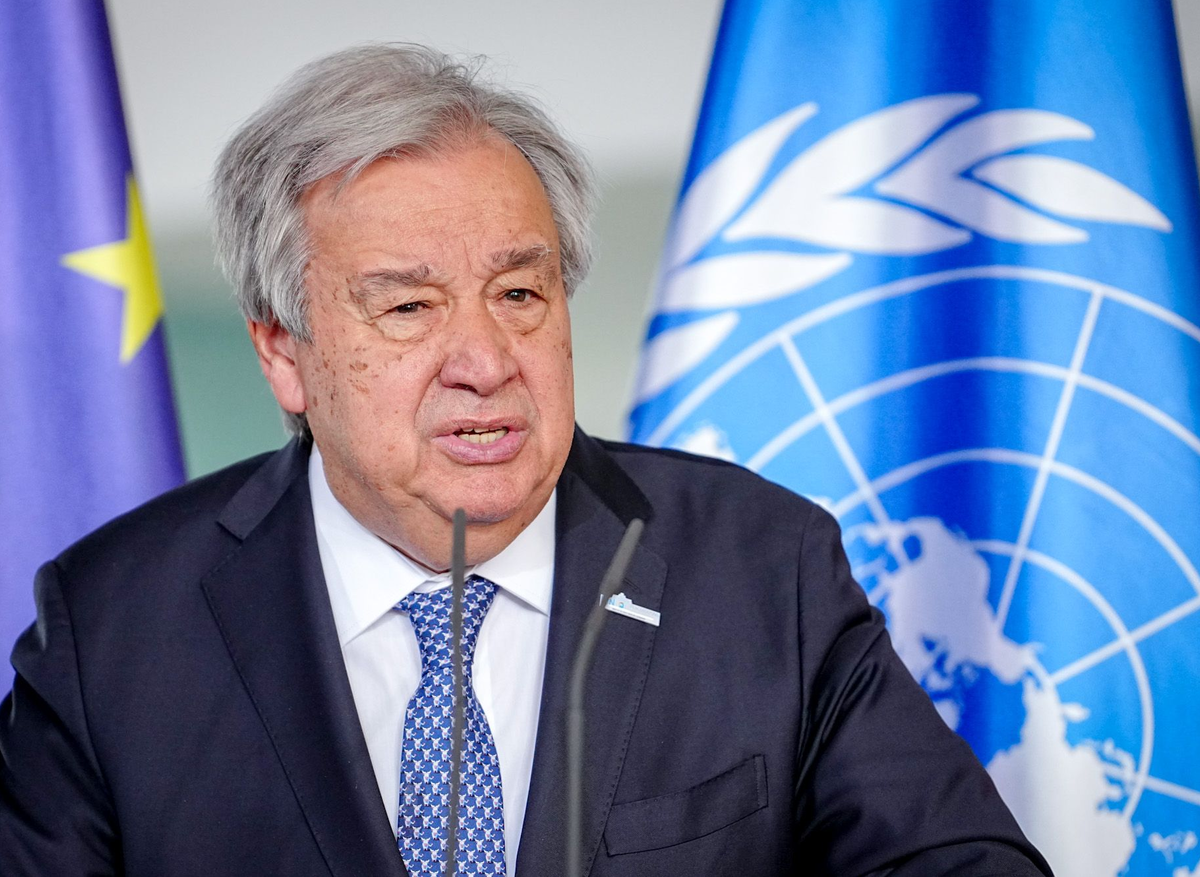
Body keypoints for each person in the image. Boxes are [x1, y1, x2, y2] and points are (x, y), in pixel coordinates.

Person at [0, 44, 1053, 876]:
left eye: (518, 293)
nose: (486, 361)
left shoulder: (762, 568)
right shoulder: (112, 633)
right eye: (408, 308)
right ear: (284, 353)